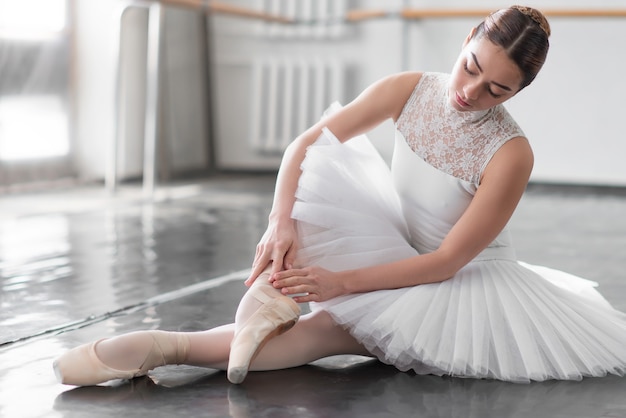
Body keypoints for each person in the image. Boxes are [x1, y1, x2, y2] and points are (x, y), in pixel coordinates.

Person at [54, 5, 626, 386]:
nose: (469, 92)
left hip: (456, 282)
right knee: (310, 194)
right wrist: (281, 222)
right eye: (469, 68)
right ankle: (259, 307)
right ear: (466, 39)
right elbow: (304, 144)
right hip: (396, 242)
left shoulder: (511, 153)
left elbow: (447, 260)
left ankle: (164, 347)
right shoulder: (410, 90)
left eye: (496, 89)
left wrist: (340, 284)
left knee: (326, 331)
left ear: (519, 91)